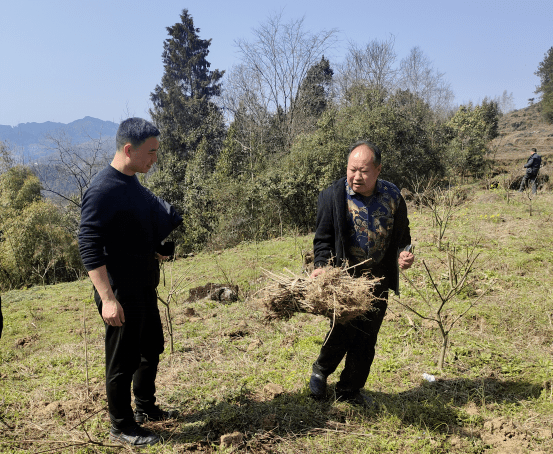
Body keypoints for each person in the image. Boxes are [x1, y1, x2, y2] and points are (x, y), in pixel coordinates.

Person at [78, 118, 183, 447]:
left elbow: (133, 229)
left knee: (151, 347)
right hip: (120, 290)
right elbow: (88, 244)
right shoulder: (102, 189)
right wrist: (107, 299)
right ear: (128, 150)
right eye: (150, 152)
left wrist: (157, 246)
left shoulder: (133, 183)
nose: (155, 158)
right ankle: (121, 426)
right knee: (122, 360)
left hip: (143, 285)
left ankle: (145, 407)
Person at [308, 140, 414, 407]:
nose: (357, 176)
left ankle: (350, 390)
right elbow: (322, 239)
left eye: (364, 171)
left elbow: (404, 235)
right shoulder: (333, 196)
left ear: (378, 170)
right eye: (352, 169)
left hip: (377, 279)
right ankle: (320, 372)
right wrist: (321, 265)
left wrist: (404, 252)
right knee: (342, 329)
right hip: (345, 278)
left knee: (367, 338)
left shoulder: (392, 196)